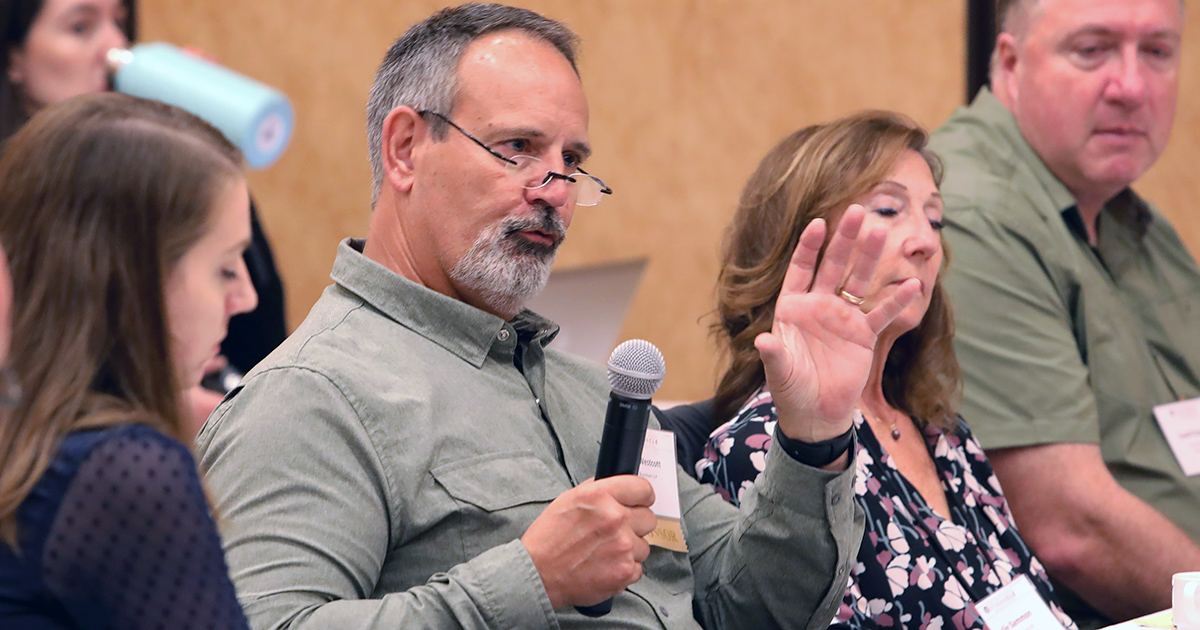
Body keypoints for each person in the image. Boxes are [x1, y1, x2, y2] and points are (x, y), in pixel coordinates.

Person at [193, 4, 933, 628]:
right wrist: (527, 583)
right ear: (407, 148)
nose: (554, 189)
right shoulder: (312, 395)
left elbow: (758, 605)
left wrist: (812, 437)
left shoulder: (592, 396)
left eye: (571, 161)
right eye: (517, 148)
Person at [693, 111, 1076, 630]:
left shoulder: (945, 433)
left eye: (935, 218)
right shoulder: (765, 445)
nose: (926, 240)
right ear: (803, 236)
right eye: (890, 209)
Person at [928, 0, 1200, 626]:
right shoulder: (968, 217)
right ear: (1010, 61)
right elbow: (1072, 531)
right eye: (1092, 50)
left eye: (1157, 51)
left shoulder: (1125, 215)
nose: (1131, 87)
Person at [0, 93, 257, 628]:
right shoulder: (126, 472)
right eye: (225, 268)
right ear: (134, 278)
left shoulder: (32, 437)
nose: (247, 297)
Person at [1, 0, 288, 432]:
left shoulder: (142, 180)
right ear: (14, 58)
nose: (114, 45)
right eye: (81, 27)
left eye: (120, 23)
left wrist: (200, 154)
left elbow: (259, 333)